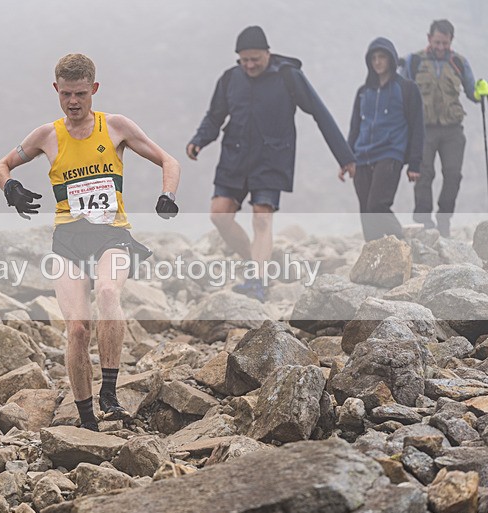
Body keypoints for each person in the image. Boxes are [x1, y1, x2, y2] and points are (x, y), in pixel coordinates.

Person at [0, 53, 179, 431]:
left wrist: (167, 196)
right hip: (68, 242)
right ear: (56, 91)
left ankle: (109, 390)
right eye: (66, 95)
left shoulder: (115, 127)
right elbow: (1, 165)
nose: (73, 102)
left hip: (113, 236)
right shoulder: (46, 136)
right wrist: (10, 187)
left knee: (109, 293)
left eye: (80, 94)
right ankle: (86, 417)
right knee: (77, 328)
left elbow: (169, 161)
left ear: (93, 90)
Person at [186, 25, 355, 302]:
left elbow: (319, 112)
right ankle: (256, 262)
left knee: (262, 218)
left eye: (256, 59)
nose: (250, 65)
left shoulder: (288, 76)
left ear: (268, 52)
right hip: (235, 156)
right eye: (244, 60)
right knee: (219, 215)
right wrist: (199, 139)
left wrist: (345, 156)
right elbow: (215, 116)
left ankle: (257, 280)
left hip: (271, 157)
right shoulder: (230, 79)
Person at [400, 19, 480, 237]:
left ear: (451, 41)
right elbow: (401, 89)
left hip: (452, 130)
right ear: (429, 39)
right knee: (423, 174)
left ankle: (444, 221)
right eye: (437, 42)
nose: (441, 47)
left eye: (445, 43)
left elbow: (473, 93)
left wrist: (482, 91)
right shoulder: (413, 61)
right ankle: (424, 224)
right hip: (423, 130)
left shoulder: (459, 63)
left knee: (453, 175)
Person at [345, 38, 424, 241]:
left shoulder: (407, 88)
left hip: (390, 153)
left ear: (391, 59)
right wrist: (346, 158)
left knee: (377, 205)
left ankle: (403, 245)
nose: (378, 62)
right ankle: (375, 258)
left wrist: (414, 163)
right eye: (374, 58)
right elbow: (355, 128)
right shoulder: (363, 92)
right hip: (362, 155)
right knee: (366, 210)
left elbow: (417, 128)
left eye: (382, 57)